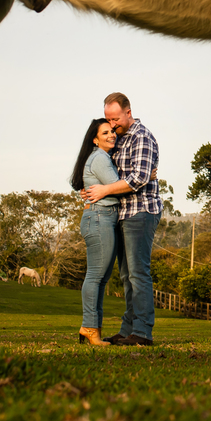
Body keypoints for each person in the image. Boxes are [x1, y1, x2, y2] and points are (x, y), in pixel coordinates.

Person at [81, 92, 161, 346]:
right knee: (127, 276)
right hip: (122, 214)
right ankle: (127, 331)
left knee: (138, 274)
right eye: (108, 119)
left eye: (115, 118)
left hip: (140, 211)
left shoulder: (142, 138)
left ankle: (142, 332)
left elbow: (137, 178)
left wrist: (105, 190)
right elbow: (110, 173)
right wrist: (93, 187)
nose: (112, 124)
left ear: (128, 112)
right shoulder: (120, 140)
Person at [69, 118, 119, 346]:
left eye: (112, 131)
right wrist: (146, 177)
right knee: (96, 276)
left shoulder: (101, 157)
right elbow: (118, 186)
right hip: (99, 218)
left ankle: (92, 329)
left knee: (100, 278)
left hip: (101, 218)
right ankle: (89, 327)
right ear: (95, 139)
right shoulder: (99, 158)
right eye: (105, 132)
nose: (112, 135)